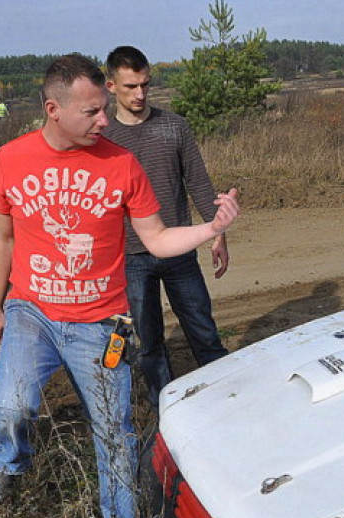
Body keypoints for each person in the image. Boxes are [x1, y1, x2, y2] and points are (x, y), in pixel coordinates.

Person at [0, 54, 239, 518]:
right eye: (92, 112)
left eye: (104, 108)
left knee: (115, 432)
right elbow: (4, 239)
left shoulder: (122, 164)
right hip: (31, 310)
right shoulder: (9, 159)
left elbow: (157, 238)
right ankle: (9, 462)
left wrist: (211, 228)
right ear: (53, 109)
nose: (105, 120)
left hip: (101, 324)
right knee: (12, 405)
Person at [103, 45, 229, 408]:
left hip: (178, 249)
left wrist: (217, 232)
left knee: (204, 332)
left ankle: (226, 399)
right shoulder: (102, 138)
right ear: (111, 86)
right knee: (148, 343)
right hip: (130, 257)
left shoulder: (174, 126)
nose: (140, 94)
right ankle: (166, 413)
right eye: (130, 87)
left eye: (145, 85)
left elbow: (199, 182)